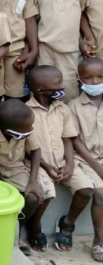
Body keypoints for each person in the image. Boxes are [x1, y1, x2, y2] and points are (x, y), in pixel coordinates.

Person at [25, 65, 93, 252]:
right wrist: (46, 166)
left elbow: (67, 138)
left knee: (86, 189)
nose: (62, 87)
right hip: (38, 164)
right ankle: (35, 225)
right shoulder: (26, 111)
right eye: (57, 84)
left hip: (63, 162)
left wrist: (70, 164)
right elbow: (25, 149)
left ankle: (68, 223)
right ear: (40, 89)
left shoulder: (62, 109)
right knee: (46, 194)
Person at [0, 100, 54, 255]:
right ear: (8, 129)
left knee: (33, 198)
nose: (29, 130)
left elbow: (36, 150)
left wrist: (32, 182)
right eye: (26, 129)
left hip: (14, 169)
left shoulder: (26, 126)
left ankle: (15, 231)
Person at [34, 0, 94, 101]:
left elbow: (80, 13)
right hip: (44, 47)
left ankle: (69, 119)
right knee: (45, 85)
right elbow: (34, 19)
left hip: (70, 48)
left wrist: (88, 38)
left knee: (68, 86)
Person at [65, 58, 103, 261]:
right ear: (79, 79)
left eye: (100, 77)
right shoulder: (74, 106)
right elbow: (75, 140)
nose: (95, 82)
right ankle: (99, 240)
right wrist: (96, 165)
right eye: (88, 77)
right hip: (85, 159)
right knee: (99, 194)